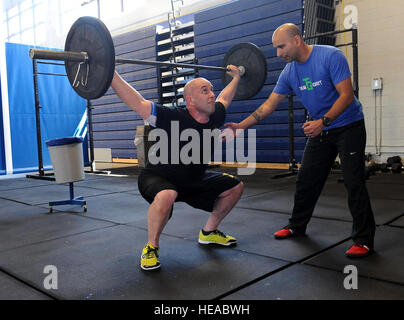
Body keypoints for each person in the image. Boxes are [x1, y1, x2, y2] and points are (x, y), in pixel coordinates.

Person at [225, 23, 376, 258]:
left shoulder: (330, 56)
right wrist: (240, 127)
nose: (278, 53)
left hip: (349, 126)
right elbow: (269, 105)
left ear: (297, 40)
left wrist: (322, 122)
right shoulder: (289, 72)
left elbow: (347, 96)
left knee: (353, 181)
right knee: (306, 180)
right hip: (321, 129)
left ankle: (364, 240)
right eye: (276, 48)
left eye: (281, 46)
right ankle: (297, 226)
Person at [111, 65, 244, 271]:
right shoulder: (170, 116)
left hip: (192, 179)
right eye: (205, 91)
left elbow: (225, 98)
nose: (212, 95)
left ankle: (209, 233)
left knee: (235, 186)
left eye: (211, 89)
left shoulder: (215, 116)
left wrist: (236, 78)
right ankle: (151, 247)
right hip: (157, 177)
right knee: (167, 194)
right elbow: (137, 102)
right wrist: (110, 73)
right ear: (190, 100)